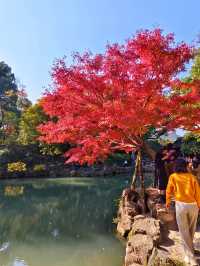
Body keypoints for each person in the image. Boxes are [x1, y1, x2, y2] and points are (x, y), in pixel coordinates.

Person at [166, 158, 200, 265]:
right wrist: (199, 205)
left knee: (184, 231)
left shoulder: (173, 177)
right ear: (185, 166)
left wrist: (167, 202)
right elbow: (198, 193)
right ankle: (189, 253)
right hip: (193, 205)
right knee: (191, 229)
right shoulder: (192, 177)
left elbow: (168, 190)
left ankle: (191, 258)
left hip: (181, 205)